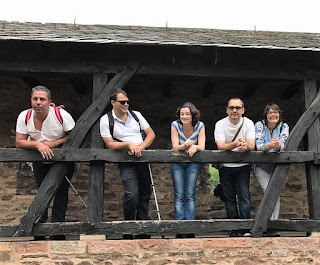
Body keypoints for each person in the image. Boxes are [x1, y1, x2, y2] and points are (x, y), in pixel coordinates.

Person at [16, 85, 75, 241]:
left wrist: (52, 144)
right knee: (42, 191)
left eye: (42, 99)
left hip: (62, 159)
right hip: (39, 159)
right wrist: (38, 145)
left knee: (61, 193)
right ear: (31, 100)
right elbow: (19, 141)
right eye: (35, 99)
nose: (38, 102)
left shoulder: (61, 115)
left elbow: (75, 136)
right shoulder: (25, 116)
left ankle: (58, 231)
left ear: (49, 102)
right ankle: (40, 231)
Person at [100, 89, 156, 237]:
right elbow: (109, 144)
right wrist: (128, 144)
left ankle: (142, 228)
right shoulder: (106, 120)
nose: (126, 104)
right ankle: (129, 227)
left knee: (145, 193)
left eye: (127, 102)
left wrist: (140, 147)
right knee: (131, 194)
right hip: (126, 160)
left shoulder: (136, 115)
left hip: (142, 157)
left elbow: (151, 134)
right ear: (113, 103)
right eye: (122, 102)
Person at [214, 98, 255, 237]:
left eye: (237, 108)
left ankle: (245, 228)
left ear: (243, 110)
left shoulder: (248, 123)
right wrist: (236, 144)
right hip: (226, 167)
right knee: (229, 197)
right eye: (231, 108)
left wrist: (245, 146)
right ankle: (233, 227)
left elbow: (252, 145)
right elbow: (220, 145)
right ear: (227, 110)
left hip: (243, 165)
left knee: (244, 195)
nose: (234, 110)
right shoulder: (220, 124)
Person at [170, 102, 205, 237]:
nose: (184, 116)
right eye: (182, 114)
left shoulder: (200, 126)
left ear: (192, 115)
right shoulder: (175, 125)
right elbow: (175, 146)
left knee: (189, 194)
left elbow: (202, 145)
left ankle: (189, 227)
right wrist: (184, 144)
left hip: (192, 163)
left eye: (187, 114)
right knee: (179, 194)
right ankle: (180, 227)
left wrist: (195, 147)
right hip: (177, 162)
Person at [255, 103, 289, 235]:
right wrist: (270, 145)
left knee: (275, 194)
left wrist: (278, 145)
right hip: (262, 166)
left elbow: (284, 144)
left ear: (279, 115)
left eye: (276, 112)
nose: (273, 115)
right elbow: (258, 146)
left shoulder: (283, 127)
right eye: (270, 112)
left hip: (277, 167)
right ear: (266, 115)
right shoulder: (259, 125)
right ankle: (265, 222)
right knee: (268, 192)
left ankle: (272, 224)